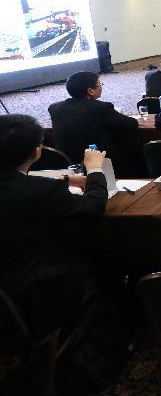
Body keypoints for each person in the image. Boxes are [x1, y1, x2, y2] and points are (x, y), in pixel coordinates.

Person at [0, 115, 108, 335]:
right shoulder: (40, 192)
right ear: (36, 152)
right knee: (103, 257)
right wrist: (96, 169)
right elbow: (93, 206)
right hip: (35, 297)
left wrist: (64, 179)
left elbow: (19, 180)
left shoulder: (28, 186)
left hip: (6, 292)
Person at [48, 71, 138, 175]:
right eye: (99, 85)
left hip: (68, 162)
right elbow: (130, 124)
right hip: (101, 162)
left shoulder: (54, 108)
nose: (101, 87)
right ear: (90, 91)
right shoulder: (100, 107)